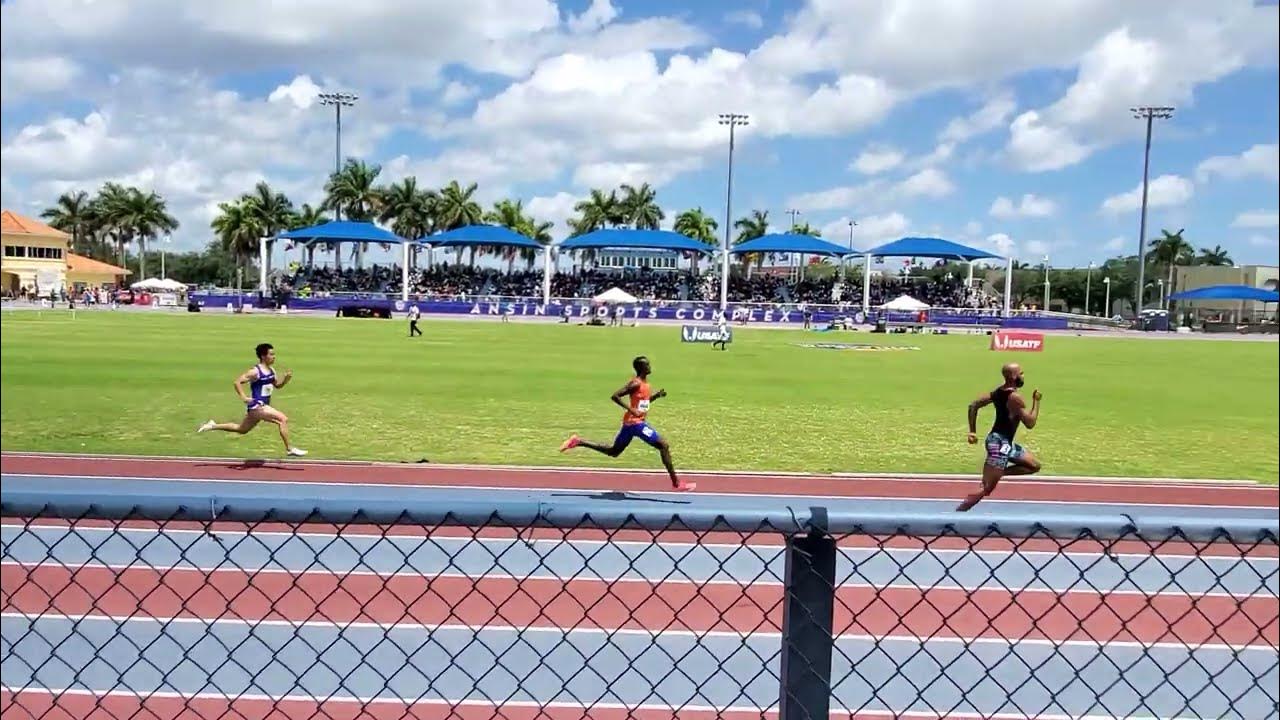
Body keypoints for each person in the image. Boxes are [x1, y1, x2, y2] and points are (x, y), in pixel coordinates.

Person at [559, 355, 695, 491]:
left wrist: (655, 396)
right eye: (647, 365)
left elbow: (642, 404)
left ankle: (578, 442)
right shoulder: (635, 383)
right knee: (663, 445)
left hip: (630, 425)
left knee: (613, 452)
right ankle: (676, 483)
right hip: (636, 424)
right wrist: (631, 409)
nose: (650, 366)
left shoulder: (645, 384)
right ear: (641, 368)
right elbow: (615, 396)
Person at [956, 362, 1041, 511]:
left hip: (1005, 443)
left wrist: (972, 431)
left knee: (1033, 466)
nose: (1023, 376)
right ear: (1014, 376)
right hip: (998, 443)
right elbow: (1030, 423)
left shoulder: (998, 392)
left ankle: (999, 472)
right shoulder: (1014, 398)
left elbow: (973, 405)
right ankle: (956, 515)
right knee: (985, 489)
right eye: (1021, 373)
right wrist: (1036, 402)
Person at [197, 342, 307, 457]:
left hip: (263, 406)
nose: (274, 357)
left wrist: (286, 379)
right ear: (263, 356)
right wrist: (244, 397)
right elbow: (237, 382)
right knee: (282, 419)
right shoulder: (255, 372)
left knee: (242, 429)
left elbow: (277, 386)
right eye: (271, 354)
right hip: (257, 406)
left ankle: (212, 425)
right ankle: (289, 448)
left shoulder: (271, 370)